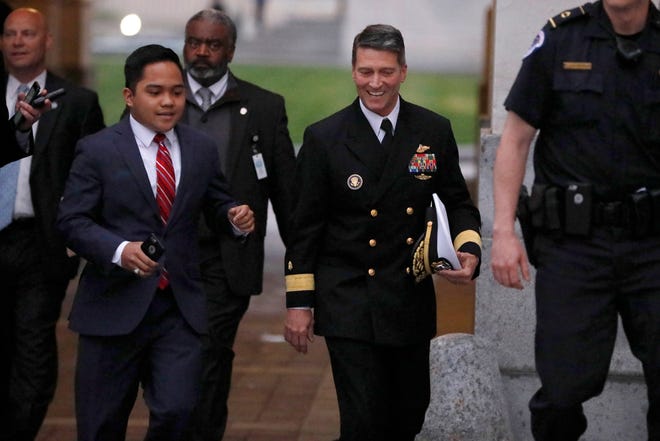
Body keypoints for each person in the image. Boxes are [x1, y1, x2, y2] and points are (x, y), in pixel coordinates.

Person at [283, 24, 482, 441]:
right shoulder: (324, 138)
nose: (375, 83)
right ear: (354, 71)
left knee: (409, 414)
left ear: (403, 72)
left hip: (408, 296)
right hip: (348, 298)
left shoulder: (432, 131)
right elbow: (305, 229)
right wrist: (299, 304)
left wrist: (467, 248)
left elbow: (457, 202)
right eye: (365, 71)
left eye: (386, 72)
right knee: (363, 420)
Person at [56, 44, 255, 441]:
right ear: (130, 96)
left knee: (179, 413)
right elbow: (72, 220)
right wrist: (118, 250)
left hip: (178, 309)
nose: (168, 102)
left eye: (177, 92)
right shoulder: (98, 150)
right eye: (155, 91)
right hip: (112, 309)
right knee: (100, 426)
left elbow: (216, 202)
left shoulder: (199, 148)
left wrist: (234, 216)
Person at [491, 1, 660, 440]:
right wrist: (503, 231)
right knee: (562, 391)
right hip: (575, 248)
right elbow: (515, 139)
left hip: (654, 246)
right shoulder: (562, 37)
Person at [180, 8, 296, 440]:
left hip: (226, 261)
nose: (202, 53)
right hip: (168, 259)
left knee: (208, 355)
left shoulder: (264, 108)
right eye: (194, 42)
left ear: (230, 49)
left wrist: (300, 277)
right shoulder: (160, 97)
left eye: (212, 44)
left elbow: (288, 195)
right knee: (171, 361)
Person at [0, 7, 104, 441]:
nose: (18, 41)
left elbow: (94, 173)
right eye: (10, 34)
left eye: (28, 33)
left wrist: (77, 237)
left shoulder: (77, 102)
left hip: (41, 243)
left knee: (33, 344)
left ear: (47, 41)